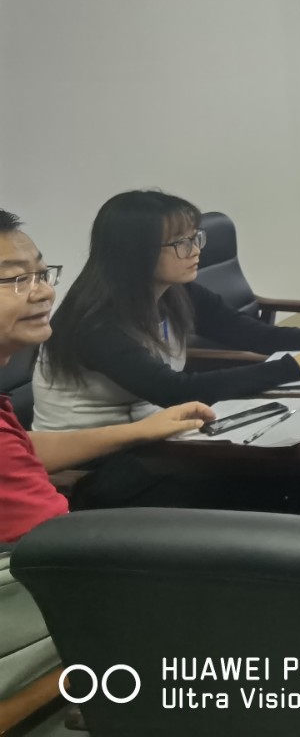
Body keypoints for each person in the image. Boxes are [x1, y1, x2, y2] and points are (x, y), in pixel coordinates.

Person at [0, 209, 212, 704]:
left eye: (42, 273)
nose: (43, 292)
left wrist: (140, 430)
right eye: (15, 279)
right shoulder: (99, 321)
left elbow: (22, 449)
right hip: (35, 611)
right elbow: (63, 557)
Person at [33, 191, 300, 435]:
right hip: (95, 458)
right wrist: (292, 368)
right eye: (181, 243)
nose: (195, 250)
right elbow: (173, 391)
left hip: (156, 433)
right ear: (136, 251)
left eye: (195, 238)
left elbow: (250, 333)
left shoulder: (175, 292)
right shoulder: (96, 324)